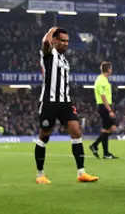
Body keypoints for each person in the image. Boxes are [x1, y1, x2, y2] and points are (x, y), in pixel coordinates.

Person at [34, 27, 98, 184]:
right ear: (55, 41)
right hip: (49, 102)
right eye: (62, 40)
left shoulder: (64, 59)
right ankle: (40, 174)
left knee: (76, 132)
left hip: (65, 102)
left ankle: (81, 173)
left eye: (67, 41)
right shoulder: (48, 55)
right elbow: (45, 42)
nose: (65, 44)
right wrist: (52, 29)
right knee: (44, 135)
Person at [90, 62, 118, 159]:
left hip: (104, 106)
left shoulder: (103, 79)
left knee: (107, 129)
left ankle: (104, 152)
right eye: (111, 68)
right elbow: (103, 96)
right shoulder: (101, 80)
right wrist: (109, 110)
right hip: (104, 106)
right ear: (108, 69)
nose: (112, 70)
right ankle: (96, 146)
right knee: (112, 128)